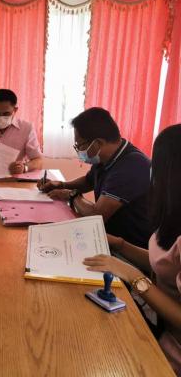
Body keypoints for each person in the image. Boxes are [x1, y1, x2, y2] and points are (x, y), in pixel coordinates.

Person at [83, 124, 181, 375]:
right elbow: (165, 264)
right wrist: (120, 245)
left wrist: (133, 275)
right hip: (160, 327)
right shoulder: (173, 212)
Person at [38, 107, 152, 248]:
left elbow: (96, 216)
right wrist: (61, 185)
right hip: (109, 236)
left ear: (98, 143)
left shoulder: (131, 166)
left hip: (130, 247)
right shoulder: (107, 156)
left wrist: (71, 195)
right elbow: (88, 181)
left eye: (80, 145)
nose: (78, 151)